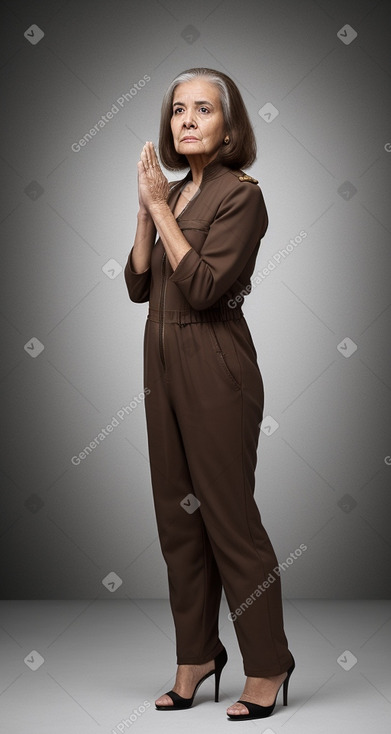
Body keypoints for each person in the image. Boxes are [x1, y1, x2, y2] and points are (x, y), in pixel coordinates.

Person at [124, 66, 295, 721]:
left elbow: (200, 289)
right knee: (178, 519)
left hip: (215, 359)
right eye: (176, 110)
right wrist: (146, 213)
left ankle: (267, 662)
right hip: (160, 358)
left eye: (202, 109)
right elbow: (139, 287)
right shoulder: (165, 192)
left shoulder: (240, 196)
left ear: (229, 125)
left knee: (229, 519)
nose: (186, 120)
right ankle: (196, 656)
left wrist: (162, 209)